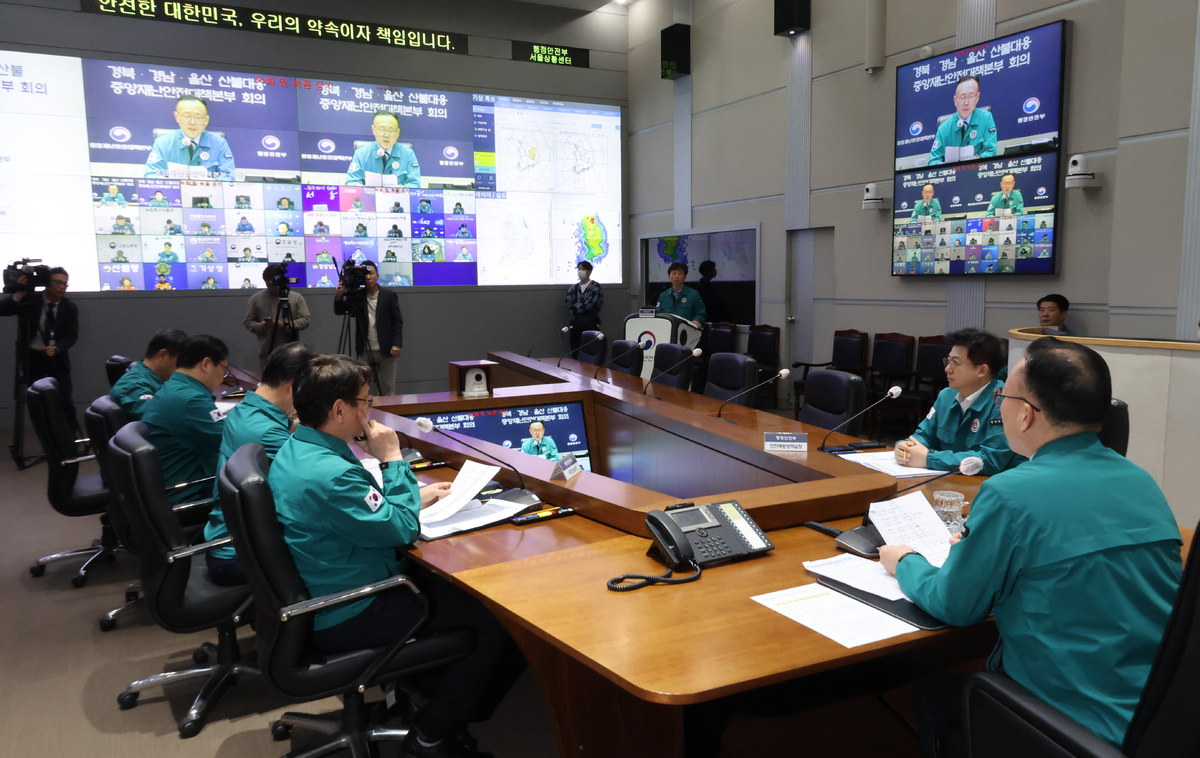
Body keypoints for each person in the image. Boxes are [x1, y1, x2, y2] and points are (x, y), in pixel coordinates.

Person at [881, 338, 1183, 754]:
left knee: (932, 691)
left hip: (1072, 723)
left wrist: (905, 562)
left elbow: (955, 605)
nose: (999, 406)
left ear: (1025, 414)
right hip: (1160, 716)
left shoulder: (1009, 493)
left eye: (1002, 397)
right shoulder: (1141, 482)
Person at [269, 354, 522, 757]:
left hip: (325, 589)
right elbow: (401, 529)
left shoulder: (298, 449)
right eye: (365, 402)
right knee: (498, 619)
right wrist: (392, 458)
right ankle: (432, 735)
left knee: (451, 591)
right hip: (350, 609)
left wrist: (409, 495)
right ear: (339, 410)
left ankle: (420, 693)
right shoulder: (332, 474)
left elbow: (359, 509)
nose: (369, 411)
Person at [204, 342, 314, 586]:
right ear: (294, 387)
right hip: (242, 557)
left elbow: (292, 427)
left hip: (229, 540)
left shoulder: (245, 410)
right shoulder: (268, 432)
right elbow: (316, 482)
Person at [894, 328, 1022, 476]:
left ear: (981, 371)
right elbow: (925, 436)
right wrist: (905, 447)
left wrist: (929, 459)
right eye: (948, 361)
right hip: (948, 480)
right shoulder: (946, 395)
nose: (947, 369)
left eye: (955, 362)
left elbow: (990, 460)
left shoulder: (1004, 402)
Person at [141, 335, 229, 506]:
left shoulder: (173, 387)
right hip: (189, 496)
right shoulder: (191, 401)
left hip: (170, 488)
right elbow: (233, 441)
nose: (222, 378)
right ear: (206, 364)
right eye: (223, 370)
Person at [0, 267, 80, 431]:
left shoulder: (69, 307)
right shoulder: (31, 301)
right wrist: (19, 293)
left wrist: (58, 348)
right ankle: (47, 438)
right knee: (37, 401)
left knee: (64, 400)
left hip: (57, 359)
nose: (62, 287)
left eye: (65, 284)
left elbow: (72, 335)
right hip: (32, 359)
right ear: (47, 283)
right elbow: (3, 309)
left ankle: (71, 438)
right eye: (58, 282)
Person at [334, 261, 403, 394]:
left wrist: (397, 344)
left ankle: (390, 408)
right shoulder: (358, 295)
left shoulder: (388, 295)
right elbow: (340, 311)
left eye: (371, 274)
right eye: (365, 275)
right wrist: (339, 297)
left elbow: (397, 321)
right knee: (367, 387)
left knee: (387, 386)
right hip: (365, 348)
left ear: (377, 275)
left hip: (386, 348)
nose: (368, 277)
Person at [144, 95, 236, 179]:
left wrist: (209, 185)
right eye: (187, 116)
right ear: (177, 117)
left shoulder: (219, 144)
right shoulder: (162, 143)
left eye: (198, 117)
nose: (192, 122)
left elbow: (229, 177)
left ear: (206, 120)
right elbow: (151, 175)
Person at [244, 264, 312, 371]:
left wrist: (284, 324)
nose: (271, 288)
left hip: (292, 352)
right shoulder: (256, 299)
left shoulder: (296, 298)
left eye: (273, 285)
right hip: (267, 352)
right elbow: (248, 322)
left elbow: (305, 320)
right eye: (268, 285)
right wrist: (261, 326)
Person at [109, 328, 188, 419]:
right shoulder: (135, 385)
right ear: (162, 355)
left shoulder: (153, 378)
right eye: (181, 360)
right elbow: (157, 419)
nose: (184, 366)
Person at [928, 75, 997, 165]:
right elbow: (933, 161)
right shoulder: (943, 129)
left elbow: (990, 152)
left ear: (977, 97)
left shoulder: (986, 118)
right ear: (955, 100)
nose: (966, 103)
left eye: (971, 96)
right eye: (962, 97)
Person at [345, 111, 421, 188]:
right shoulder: (361, 154)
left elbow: (415, 184)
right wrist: (365, 190)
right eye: (382, 129)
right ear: (373, 130)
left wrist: (401, 190)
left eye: (391, 130)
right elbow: (351, 182)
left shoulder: (408, 154)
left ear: (397, 133)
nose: (386, 135)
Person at [565, 260, 603, 358]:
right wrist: (582, 307)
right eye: (579, 269)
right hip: (575, 325)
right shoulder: (573, 288)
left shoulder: (595, 286)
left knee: (590, 352)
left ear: (589, 271)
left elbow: (591, 303)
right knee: (576, 352)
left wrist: (577, 308)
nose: (580, 271)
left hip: (590, 324)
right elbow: (569, 302)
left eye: (583, 269)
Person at [655, 262, 706, 328]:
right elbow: (658, 314)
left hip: (687, 330)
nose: (677, 276)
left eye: (680, 274)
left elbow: (701, 313)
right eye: (674, 273)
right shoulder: (663, 296)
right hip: (667, 329)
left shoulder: (693, 294)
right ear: (669, 276)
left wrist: (697, 320)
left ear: (685, 276)